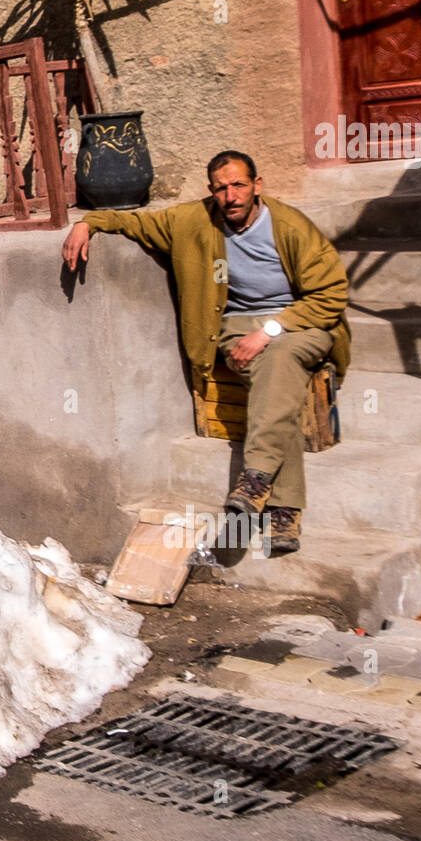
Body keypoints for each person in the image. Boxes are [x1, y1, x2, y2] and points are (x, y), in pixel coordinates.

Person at [62, 150, 350, 554]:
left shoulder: (290, 227)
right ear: (211, 191)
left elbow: (332, 294)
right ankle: (284, 510)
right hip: (235, 326)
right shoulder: (193, 220)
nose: (231, 195)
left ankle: (256, 479)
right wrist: (87, 223)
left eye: (239, 185)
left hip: (301, 322)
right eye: (221, 188)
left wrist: (269, 331)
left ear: (258, 185)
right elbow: (132, 221)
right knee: (276, 376)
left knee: (279, 357)